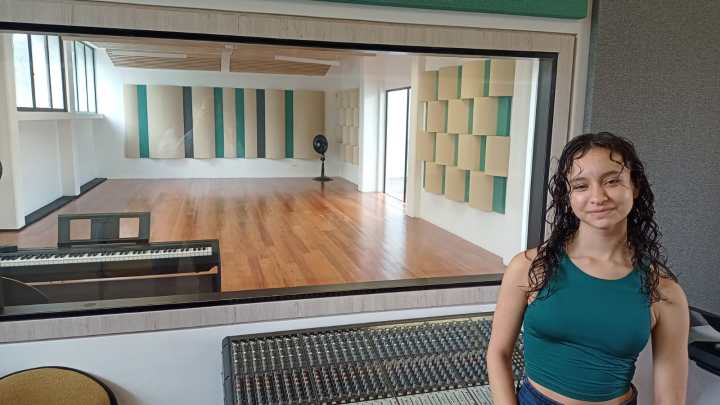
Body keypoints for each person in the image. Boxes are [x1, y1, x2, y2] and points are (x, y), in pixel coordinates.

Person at [487, 132, 689, 405]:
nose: (598, 196)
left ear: (635, 186)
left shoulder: (664, 290)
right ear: (568, 196)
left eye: (612, 181)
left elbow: (671, 398)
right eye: (581, 186)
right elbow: (498, 354)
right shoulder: (529, 268)